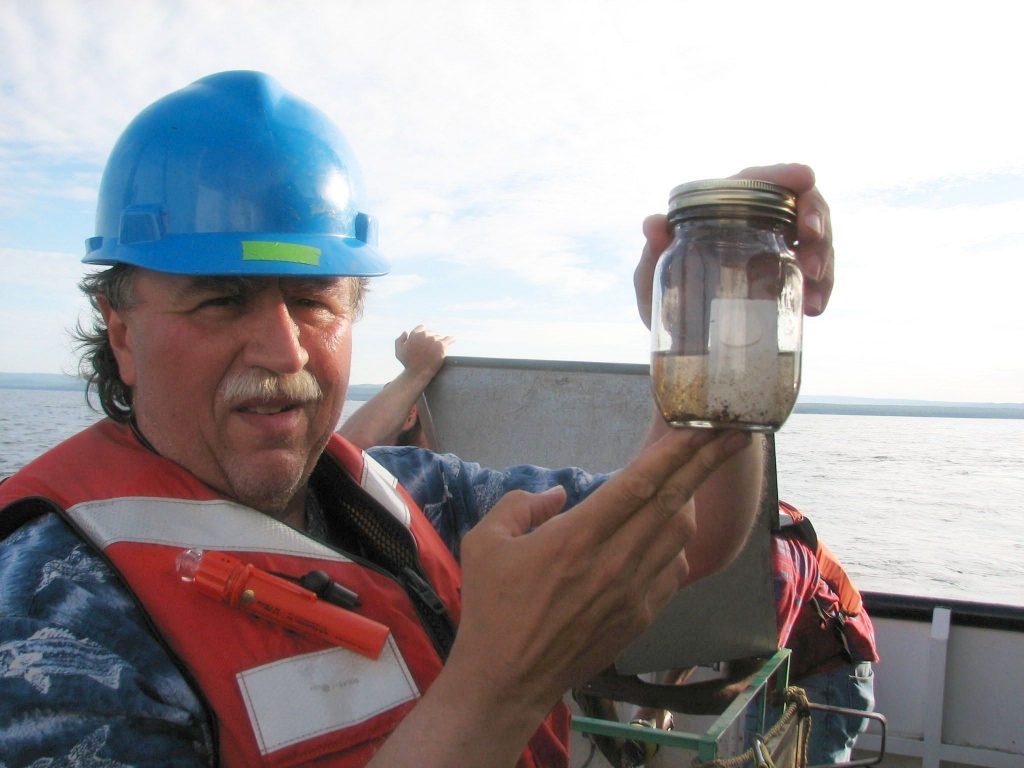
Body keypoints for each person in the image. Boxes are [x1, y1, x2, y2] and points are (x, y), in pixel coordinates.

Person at [0, 70, 834, 767]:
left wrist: (723, 319)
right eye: (220, 299)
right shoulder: (45, 614)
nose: (284, 350)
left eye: (314, 301)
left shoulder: (418, 499)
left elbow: (700, 526)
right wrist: (500, 684)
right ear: (123, 334)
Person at [591, 500, 878, 767]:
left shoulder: (773, 569)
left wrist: (636, 693)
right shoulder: (708, 540)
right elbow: (709, 626)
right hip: (776, 672)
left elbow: (739, 688)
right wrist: (657, 704)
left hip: (827, 677)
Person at [339, 324, 454, 449]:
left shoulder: (381, 463)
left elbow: (341, 453)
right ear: (410, 415)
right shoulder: (447, 465)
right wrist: (417, 370)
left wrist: (417, 371)